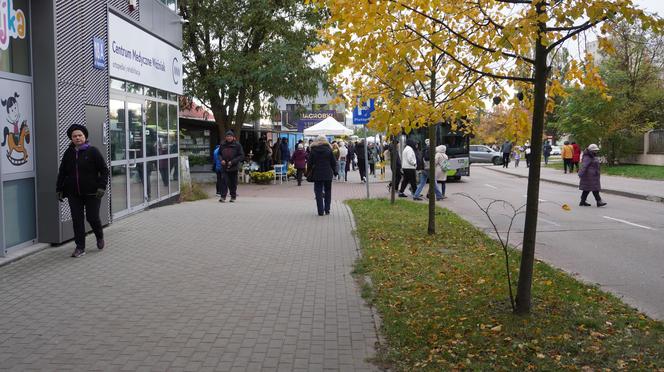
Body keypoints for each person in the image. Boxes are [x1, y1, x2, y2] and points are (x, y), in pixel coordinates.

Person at [56, 124, 109, 258]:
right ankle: (80, 247)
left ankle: (99, 236)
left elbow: (104, 170)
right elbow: (62, 172)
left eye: (80, 135)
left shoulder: (93, 151)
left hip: (93, 193)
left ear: (85, 136)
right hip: (74, 193)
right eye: (75, 136)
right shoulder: (69, 153)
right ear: (71, 138)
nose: (78, 138)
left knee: (92, 217)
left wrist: (102, 187)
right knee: (77, 220)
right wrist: (59, 188)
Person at [308, 135, 337, 216]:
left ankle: (320, 211)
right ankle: (327, 209)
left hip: (317, 173)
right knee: (328, 191)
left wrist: (307, 171)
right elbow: (333, 162)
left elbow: (309, 162)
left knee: (318, 192)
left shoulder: (313, 150)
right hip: (328, 173)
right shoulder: (329, 150)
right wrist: (335, 172)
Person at [218, 130, 245, 203]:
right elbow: (219, 154)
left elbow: (241, 155)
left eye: (230, 136)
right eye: (227, 136)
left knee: (232, 183)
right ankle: (223, 197)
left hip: (233, 167)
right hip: (224, 166)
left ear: (233, 137)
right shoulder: (222, 144)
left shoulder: (237, 145)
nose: (229, 138)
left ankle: (233, 196)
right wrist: (221, 160)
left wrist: (233, 162)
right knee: (224, 181)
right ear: (225, 137)